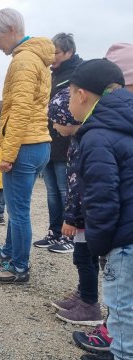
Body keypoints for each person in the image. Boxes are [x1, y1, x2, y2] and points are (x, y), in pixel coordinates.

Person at [0, 8, 53, 284]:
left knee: (19, 210)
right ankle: (10, 252)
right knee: (16, 206)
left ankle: (19, 267)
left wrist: (8, 153)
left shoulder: (23, 61)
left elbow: (21, 109)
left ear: (12, 30)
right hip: (38, 143)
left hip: (25, 145)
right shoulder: (38, 58)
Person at [68, 58, 132, 360]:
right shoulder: (125, 122)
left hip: (125, 242)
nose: (69, 102)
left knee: (122, 313)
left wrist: (100, 245)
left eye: (69, 95)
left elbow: (102, 198)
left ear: (82, 95)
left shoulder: (96, 135)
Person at [47, 86, 102, 327]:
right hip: (84, 216)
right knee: (84, 258)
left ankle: (90, 304)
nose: (54, 129)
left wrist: (71, 218)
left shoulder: (84, 143)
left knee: (84, 257)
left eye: (56, 122)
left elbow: (78, 185)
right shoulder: (78, 140)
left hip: (84, 217)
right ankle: (83, 294)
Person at [34, 33, 83, 253]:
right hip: (49, 139)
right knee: (52, 191)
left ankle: (69, 236)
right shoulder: (52, 74)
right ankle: (54, 232)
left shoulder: (78, 74)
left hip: (67, 142)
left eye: (56, 52)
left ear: (69, 52)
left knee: (66, 191)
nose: (52, 56)